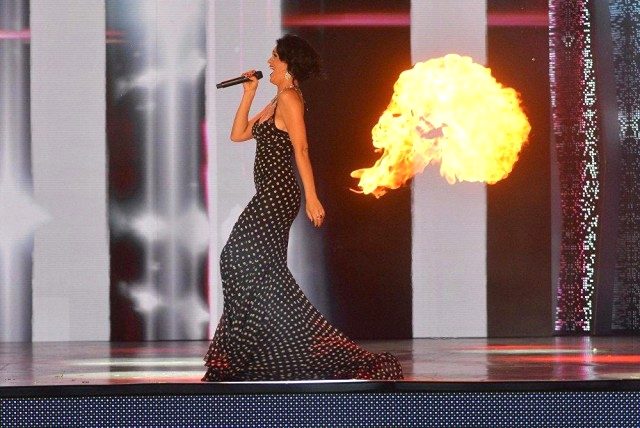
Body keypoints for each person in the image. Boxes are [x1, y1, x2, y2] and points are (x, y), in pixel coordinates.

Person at [202, 34, 403, 381]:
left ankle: (252, 346)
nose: (268, 62)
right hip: (267, 192)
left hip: (278, 194)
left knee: (238, 259)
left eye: (274, 57)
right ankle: (257, 346)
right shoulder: (275, 99)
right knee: (255, 267)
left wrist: (312, 196)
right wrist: (248, 93)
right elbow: (238, 134)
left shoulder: (290, 98)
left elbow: (302, 149)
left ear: (287, 64)